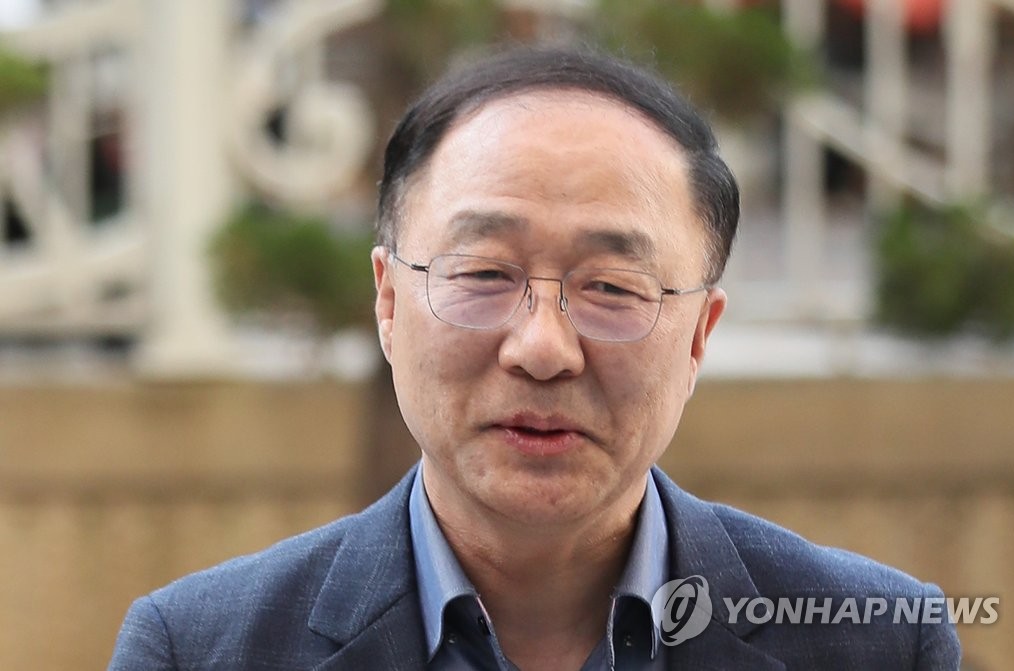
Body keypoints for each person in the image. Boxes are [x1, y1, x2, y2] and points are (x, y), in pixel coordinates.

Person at [109, 45, 961, 670]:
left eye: (612, 287)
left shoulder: (880, 642)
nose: (544, 348)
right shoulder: (201, 647)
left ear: (700, 334)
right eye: (484, 274)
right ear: (388, 301)